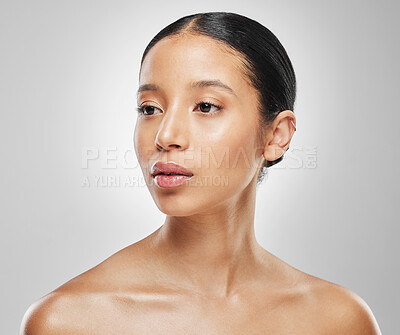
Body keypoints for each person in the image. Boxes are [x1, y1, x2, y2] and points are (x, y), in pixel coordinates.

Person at [20, 12, 382, 334]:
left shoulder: (339, 320)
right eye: (150, 108)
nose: (166, 136)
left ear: (276, 135)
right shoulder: (69, 320)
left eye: (206, 106)